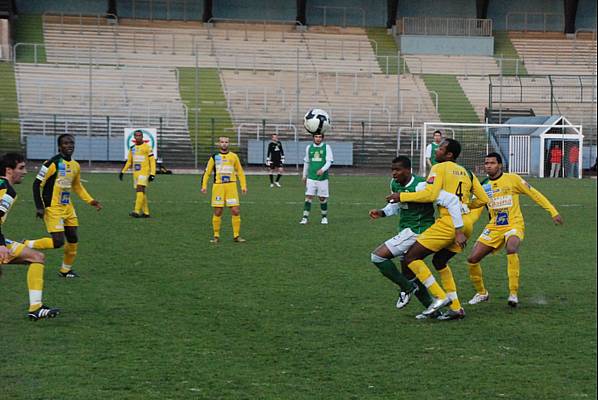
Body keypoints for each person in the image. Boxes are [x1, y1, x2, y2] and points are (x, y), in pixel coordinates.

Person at [387, 138, 490, 320]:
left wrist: (401, 196)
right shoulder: (468, 172)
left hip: (449, 222)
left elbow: (431, 194)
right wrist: (464, 206)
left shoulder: (438, 168)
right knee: (440, 262)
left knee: (411, 257)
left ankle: (440, 298)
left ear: (449, 154)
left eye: (441, 148)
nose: (437, 150)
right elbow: (483, 200)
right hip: (466, 224)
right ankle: (456, 309)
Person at [369, 156, 466, 318]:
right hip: (406, 231)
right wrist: (382, 212)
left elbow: (450, 200)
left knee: (377, 257)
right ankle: (433, 311)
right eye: (392, 169)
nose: (394, 173)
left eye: (398, 170)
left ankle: (407, 288)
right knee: (410, 272)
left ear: (408, 170)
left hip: (419, 231)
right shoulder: (394, 184)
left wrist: (458, 229)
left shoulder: (422, 185)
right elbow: (397, 205)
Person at [467, 153, 563, 308]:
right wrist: (463, 209)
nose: (489, 166)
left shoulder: (513, 179)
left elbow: (535, 194)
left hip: (514, 224)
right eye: (486, 163)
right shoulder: (483, 185)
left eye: (492, 163)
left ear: (500, 165)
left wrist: (553, 211)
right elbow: (475, 208)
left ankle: (513, 293)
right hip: (494, 227)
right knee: (472, 259)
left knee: (511, 248)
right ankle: (482, 293)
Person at [24, 134, 102, 278]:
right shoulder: (52, 163)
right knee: (58, 242)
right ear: (59, 146)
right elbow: (36, 184)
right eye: (66, 143)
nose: (69, 146)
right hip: (53, 207)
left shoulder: (75, 165)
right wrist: (39, 206)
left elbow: (77, 186)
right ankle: (27, 244)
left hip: (67, 206)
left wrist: (91, 201)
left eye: (71, 143)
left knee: (73, 237)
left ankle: (65, 270)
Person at [0, 153, 60, 320]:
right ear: (8, 170)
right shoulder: (7, 191)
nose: (25, 172)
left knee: (36, 257)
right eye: (21, 168)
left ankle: (36, 307)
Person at [201, 136, 247, 243]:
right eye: (222, 142)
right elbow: (207, 172)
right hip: (218, 186)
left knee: (235, 211)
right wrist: (204, 186)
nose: (224, 144)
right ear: (219, 144)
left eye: (226, 142)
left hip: (231, 186)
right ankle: (216, 236)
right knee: (218, 211)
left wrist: (243, 186)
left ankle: (236, 236)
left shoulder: (234, 156)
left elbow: (240, 172)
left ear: (228, 144)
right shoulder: (214, 157)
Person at [119, 129, 157, 218]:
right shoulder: (132, 148)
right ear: (134, 137)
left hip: (144, 173)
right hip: (136, 173)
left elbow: (152, 161)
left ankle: (136, 211)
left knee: (139, 189)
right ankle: (146, 212)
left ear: (142, 137)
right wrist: (123, 171)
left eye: (140, 135)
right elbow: (129, 162)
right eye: (136, 135)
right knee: (142, 192)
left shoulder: (147, 147)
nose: (138, 137)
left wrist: (152, 173)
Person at [300, 132, 333, 225]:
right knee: (308, 197)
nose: (318, 138)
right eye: (316, 137)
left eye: (319, 137)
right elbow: (306, 162)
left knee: (322, 198)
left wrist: (322, 169)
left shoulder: (326, 147)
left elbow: (329, 161)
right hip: (311, 177)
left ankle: (324, 217)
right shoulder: (309, 148)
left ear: (322, 138)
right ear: (313, 138)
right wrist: (304, 175)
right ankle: (305, 218)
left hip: (322, 178)